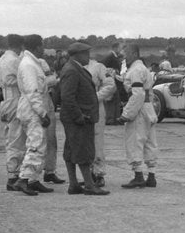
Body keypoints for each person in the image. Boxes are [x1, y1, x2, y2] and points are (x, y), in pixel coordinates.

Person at [58, 42, 109, 195]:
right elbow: (67, 96)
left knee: (71, 149)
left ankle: (74, 183)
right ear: (77, 55)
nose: (89, 56)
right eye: (86, 53)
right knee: (83, 151)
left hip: (77, 117)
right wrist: (78, 115)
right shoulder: (72, 70)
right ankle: (89, 184)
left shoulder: (75, 68)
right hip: (78, 118)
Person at [14, 34, 53, 196]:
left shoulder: (31, 63)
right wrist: (42, 113)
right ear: (36, 47)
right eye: (42, 46)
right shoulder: (29, 65)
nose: (43, 49)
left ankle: (34, 179)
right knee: (36, 144)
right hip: (32, 109)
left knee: (40, 143)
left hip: (31, 108)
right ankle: (23, 179)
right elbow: (33, 92)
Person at [118, 44, 159, 188]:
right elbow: (148, 93)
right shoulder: (144, 69)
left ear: (134, 54)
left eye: (126, 54)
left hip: (139, 110)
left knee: (135, 141)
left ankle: (138, 175)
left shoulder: (135, 70)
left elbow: (137, 94)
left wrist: (126, 114)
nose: (124, 57)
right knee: (150, 142)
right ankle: (151, 175)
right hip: (148, 108)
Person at [0, 33, 25, 190]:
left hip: (6, 98)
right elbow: (20, 80)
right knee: (16, 138)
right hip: (15, 98)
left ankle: (14, 173)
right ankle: (13, 175)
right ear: (20, 45)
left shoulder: (2, 59)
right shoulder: (14, 60)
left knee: (11, 137)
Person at [85, 52, 116, 187]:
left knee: (97, 141)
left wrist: (95, 97)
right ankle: (87, 174)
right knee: (84, 143)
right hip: (80, 108)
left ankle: (98, 174)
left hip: (96, 107)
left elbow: (110, 85)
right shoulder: (74, 67)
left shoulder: (98, 67)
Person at [40, 56, 64, 185]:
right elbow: (50, 80)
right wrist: (55, 79)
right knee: (36, 141)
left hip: (45, 99)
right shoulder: (30, 63)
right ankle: (29, 175)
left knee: (51, 139)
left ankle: (50, 171)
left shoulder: (39, 62)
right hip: (36, 100)